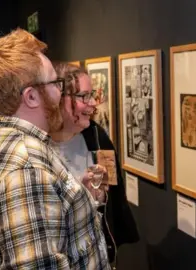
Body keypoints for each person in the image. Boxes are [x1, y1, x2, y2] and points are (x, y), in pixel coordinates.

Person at [0, 29, 110, 269]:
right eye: (56, 83)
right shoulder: (24, 166)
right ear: (30, 97)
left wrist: (81, 203)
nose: (61, 93)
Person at [50, 62, 139, 265]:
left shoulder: (97, 136)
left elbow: (113, 192)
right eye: (83, 96)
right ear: (56, 98)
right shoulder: (36, 148)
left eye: (92, 95)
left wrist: (100, 195)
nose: (92, 103)